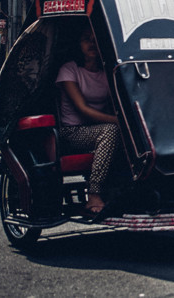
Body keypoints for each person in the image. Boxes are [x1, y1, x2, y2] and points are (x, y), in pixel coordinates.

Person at [56, 25, 120, 217]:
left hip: (99, 129)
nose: (91, 43)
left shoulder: (107, 72)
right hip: (73, 132)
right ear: (78, 44)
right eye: (86, 39)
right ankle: (94, 193)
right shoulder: (69, 69)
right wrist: (118, 122)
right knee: (112, 130)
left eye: (95, 39)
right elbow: (83, 109)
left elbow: (113, 103)